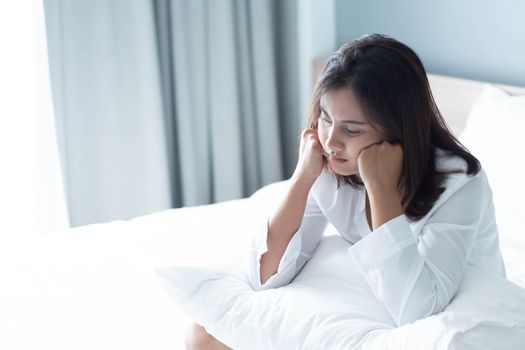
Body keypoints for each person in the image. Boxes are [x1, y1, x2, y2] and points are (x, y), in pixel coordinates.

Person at [185, 33, 506, 349]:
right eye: (326, 119)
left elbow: (418, 311)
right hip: (379, 296)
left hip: (464, 319)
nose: (331, 141)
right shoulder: (332, 164)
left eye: (352, 129)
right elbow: (266, 275)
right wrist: (302, 178)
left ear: (398, 128)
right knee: (205, 334)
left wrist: (380, 188)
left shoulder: (460, 183)